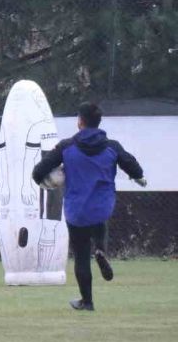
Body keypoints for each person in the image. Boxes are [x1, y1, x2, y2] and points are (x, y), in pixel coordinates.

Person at [32, 102, 146, 311]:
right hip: (102, 206)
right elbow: (133, 165)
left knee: (81, 255)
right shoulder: (112, 146)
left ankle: (87, 301)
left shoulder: (66, 147)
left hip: (77, 210)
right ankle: (101, 250)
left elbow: (39, 170)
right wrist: (138, 176)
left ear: (80, 122)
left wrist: (44, 181)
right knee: (100, 220)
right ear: (99, 122)